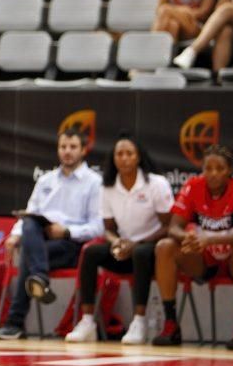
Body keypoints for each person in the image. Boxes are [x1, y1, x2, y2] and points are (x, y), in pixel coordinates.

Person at [0, 129, 103, 340]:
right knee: (30, 222)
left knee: (28, 254)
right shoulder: (46, 180)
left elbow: (97, 226)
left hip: (72, 245)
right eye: (63, 147)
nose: (67, 152)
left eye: (72, 147)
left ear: (83, 150)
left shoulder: (94, 182)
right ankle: (39, 278)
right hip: (41, 240)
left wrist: (68, 231)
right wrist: (15, 235)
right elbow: (30, 212)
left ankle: (15, 323)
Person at [65, 134, 173, 344]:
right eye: (119, 154)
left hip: (151, 250)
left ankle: (139, 322)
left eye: (129, 153)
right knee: (90, 252)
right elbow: (108, 229)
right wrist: (115, 241)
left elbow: (169, 226)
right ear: (113, 158)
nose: (124, 158)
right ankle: (87, 322)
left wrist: (138, 243)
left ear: (138, 157)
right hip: (123, 249)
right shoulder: (107, 186)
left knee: (141, 253)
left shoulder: (156, 184)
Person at [152, 144, 233, 349]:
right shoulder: (194, 185)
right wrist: (189, 238)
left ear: (229, 171)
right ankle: (171, 324)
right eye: (207, 169)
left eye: (219, 169)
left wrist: (209, 239)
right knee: (165, 246)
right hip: (205, 258)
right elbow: (174, 227)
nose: (213, 174)